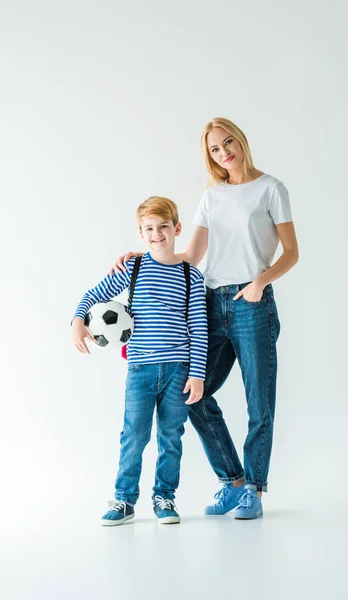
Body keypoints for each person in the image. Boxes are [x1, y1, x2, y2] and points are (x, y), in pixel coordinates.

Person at [110, 118, 299, 520]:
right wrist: (141, 259)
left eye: (228, 142)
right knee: (192, 393)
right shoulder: (212, 196)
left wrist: (260, 283)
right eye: (214, 149)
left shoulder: (271, 189)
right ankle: (231, 480)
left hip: (252, 303)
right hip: (213, 302)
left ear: (241, 140)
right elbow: (190, 257)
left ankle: (254, 488)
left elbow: (291, 253)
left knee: (259, 402)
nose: (224, 152)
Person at [71, 196, 207, 525]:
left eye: (163, 227)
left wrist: (198, 374)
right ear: (140, 233)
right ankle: (124, 500)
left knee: (171, 436)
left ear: (176, 229)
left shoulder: (192, 276)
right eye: (149, 228)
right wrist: (78, 319)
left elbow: (199, 327)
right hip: (141, 370)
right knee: (134, 435)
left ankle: (164, 497)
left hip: (179, 370)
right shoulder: (132, 268)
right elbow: (94, 295)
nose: (157, 233)